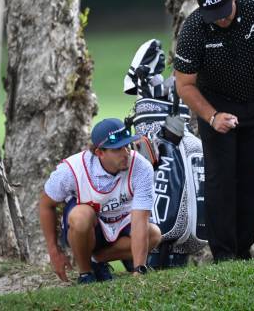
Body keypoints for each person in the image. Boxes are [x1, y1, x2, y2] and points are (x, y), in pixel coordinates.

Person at [174, 0, 254, 261]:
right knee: (220, 180)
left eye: (225, 13)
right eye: (214, 16)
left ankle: (243, 250)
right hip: (215, 105)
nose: (221, 20)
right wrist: (212, 117)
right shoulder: (193, 29)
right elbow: (184, 85)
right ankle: (224, 254)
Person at [39, 118, 162, 284]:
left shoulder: (142, 167)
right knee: (81, 216)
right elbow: (46, 206)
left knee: (154, 234)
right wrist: (54, 252)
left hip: (121, 221)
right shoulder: (71, 169)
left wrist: (139, 269)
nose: (125, 153)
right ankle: (86, 273)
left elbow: (140, 220)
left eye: (127, 146)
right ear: (99, 153)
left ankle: (97, 260)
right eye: (117, 149)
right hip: (90, 227)